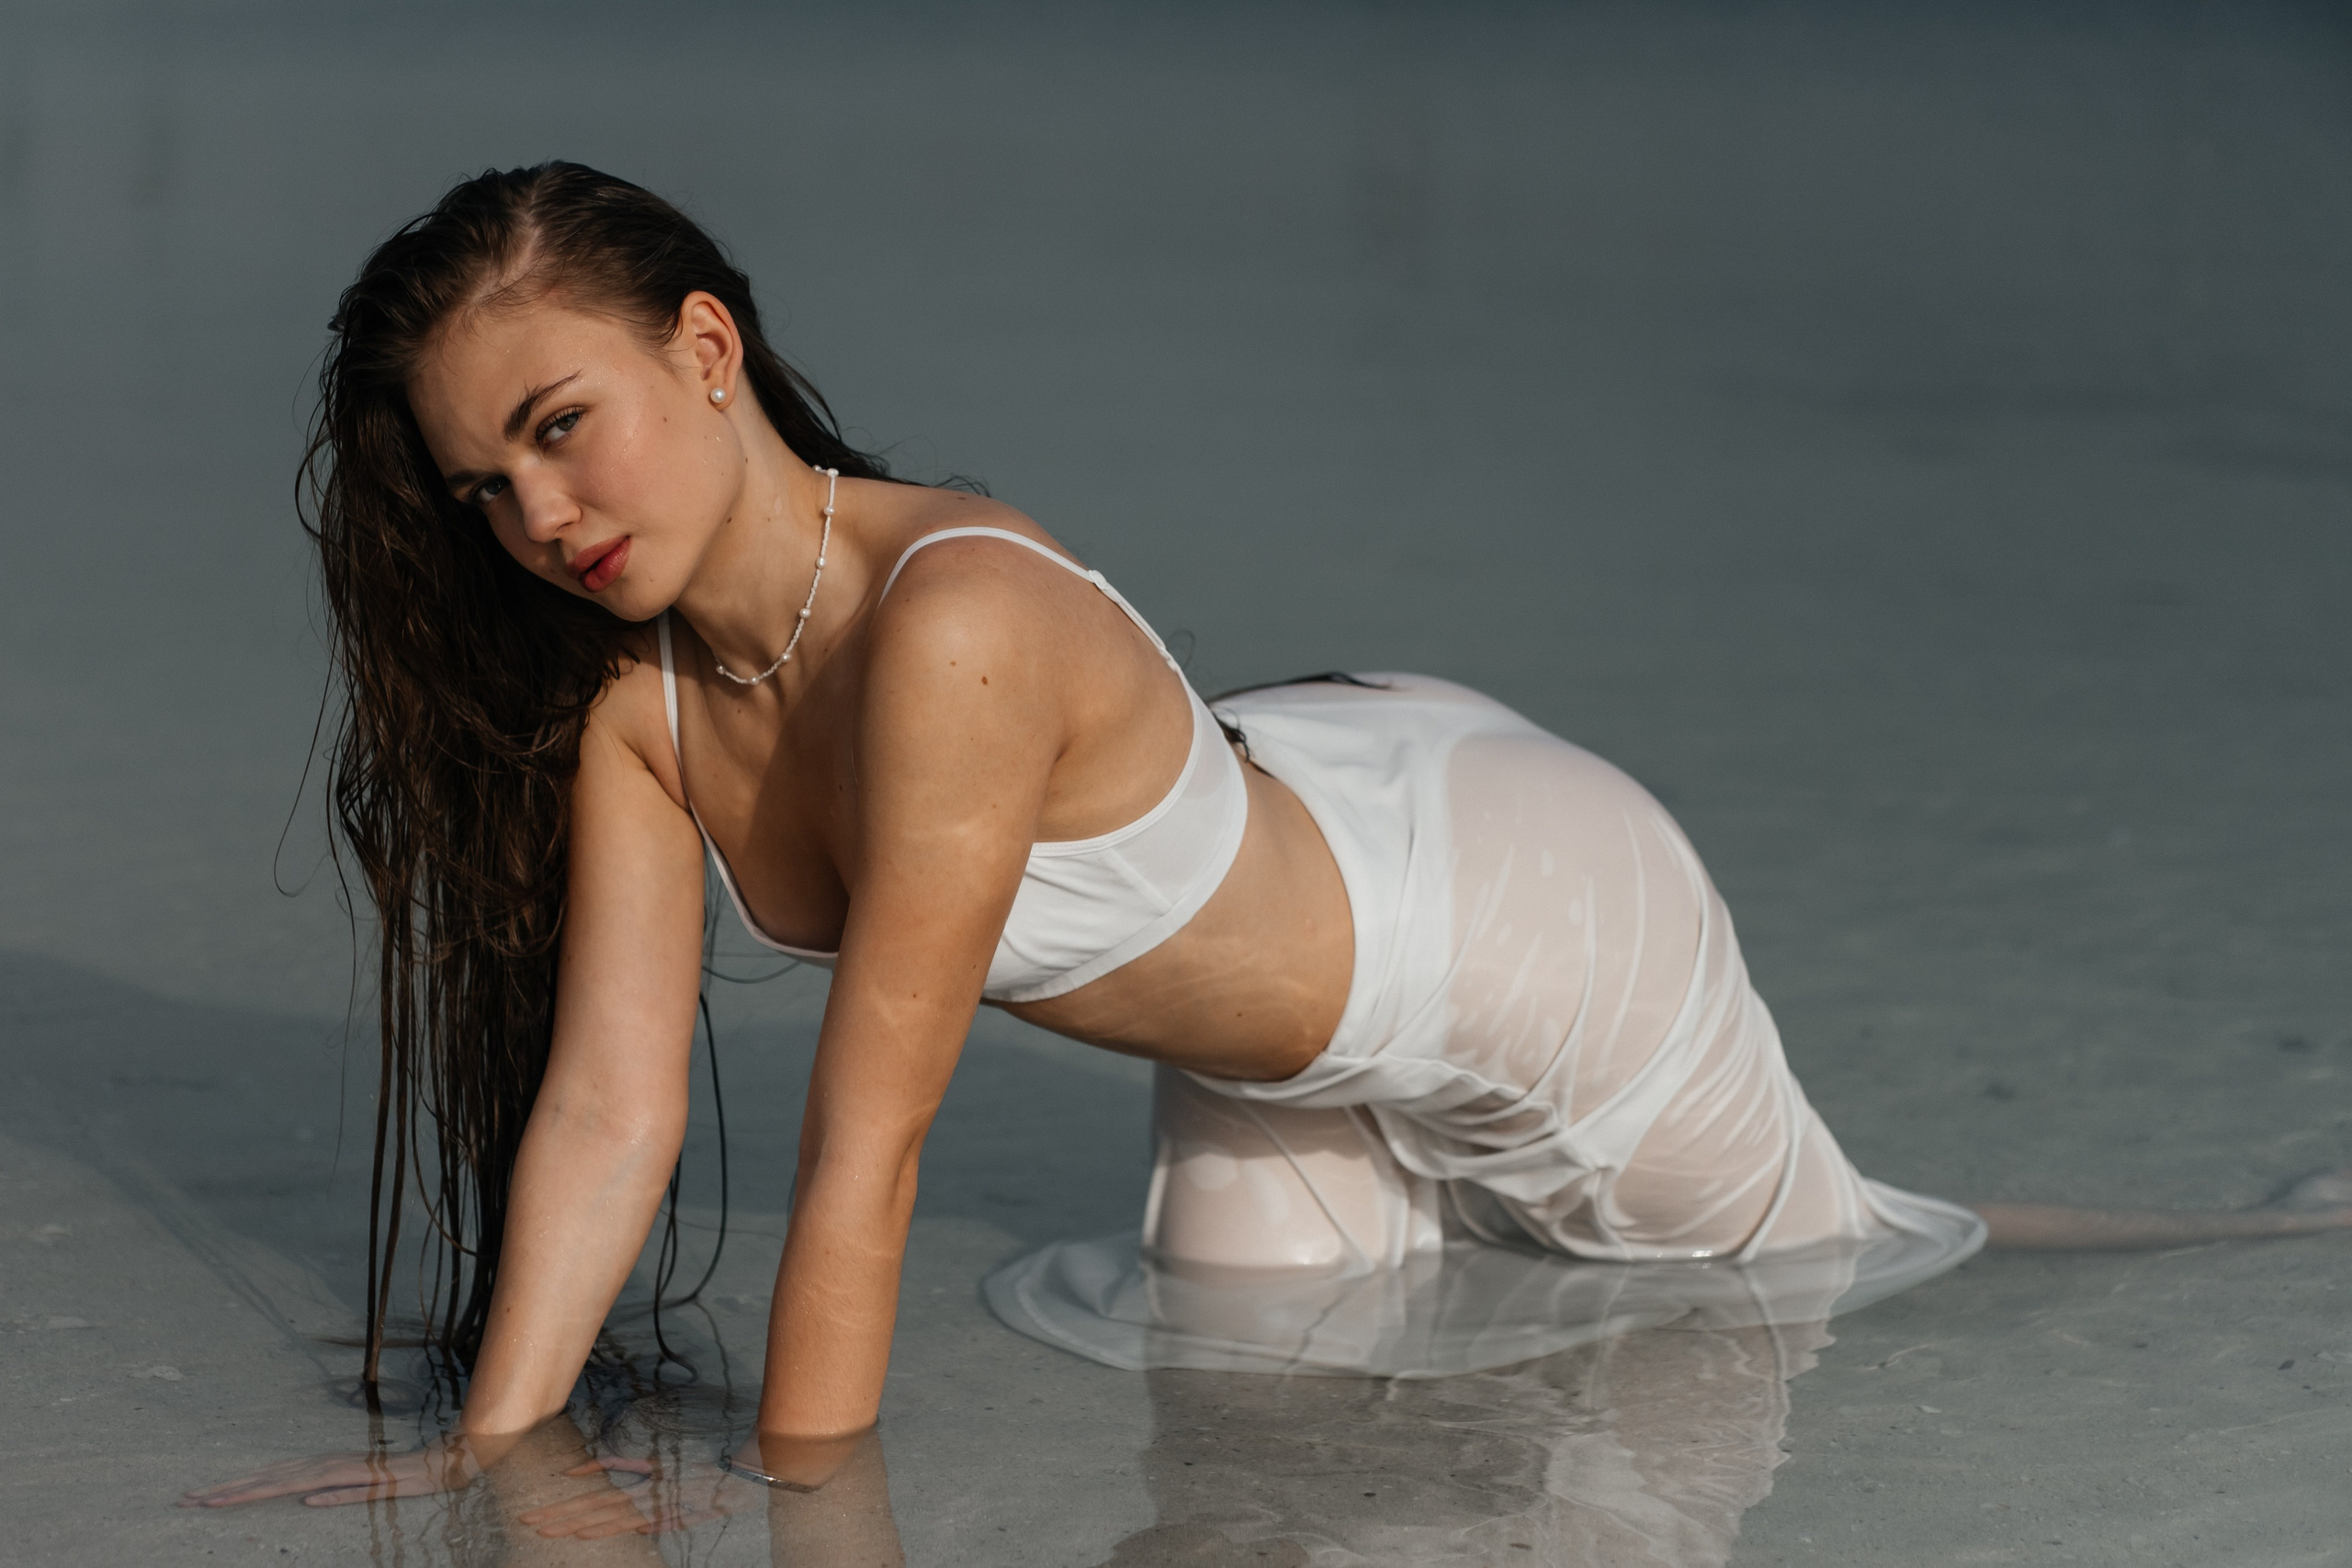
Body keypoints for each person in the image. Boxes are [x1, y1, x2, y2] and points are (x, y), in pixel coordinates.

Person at [184, 163, 2352, 1541]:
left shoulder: (949, 626)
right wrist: (495, 1448)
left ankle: (2259, 1233)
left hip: (1506, 921)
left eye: (559, 426)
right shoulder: (643, 719)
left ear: (705, 346)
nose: (539, 515)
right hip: (1269, 1003)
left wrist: (808, 1512)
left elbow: (868, 1150)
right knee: (1239, 1456)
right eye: (483, 488)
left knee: (1811, 1261)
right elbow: (605, 1107)